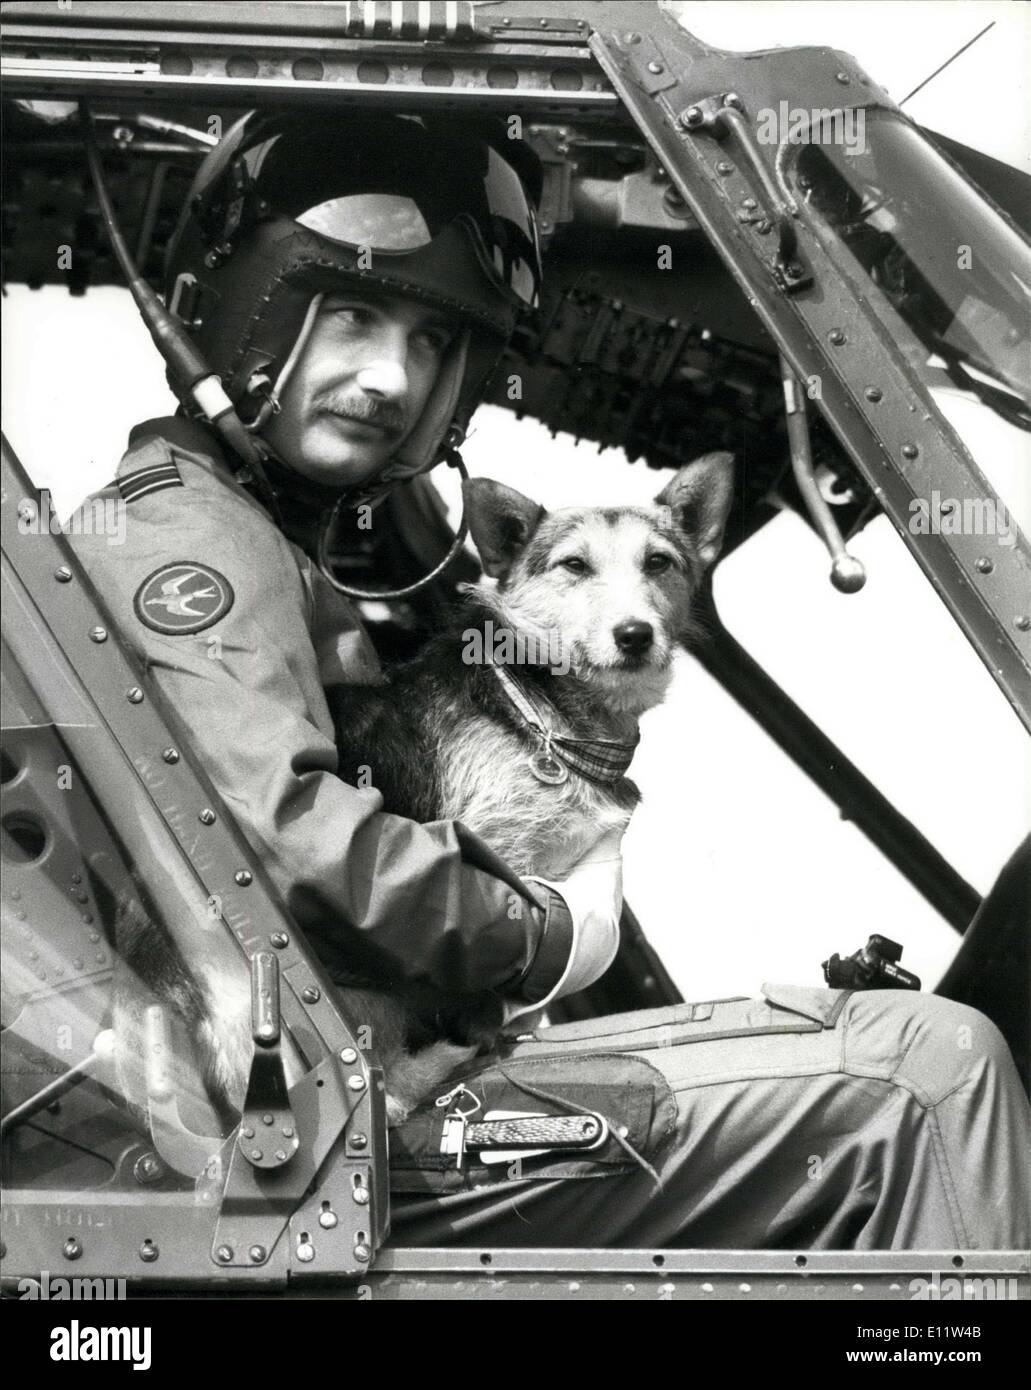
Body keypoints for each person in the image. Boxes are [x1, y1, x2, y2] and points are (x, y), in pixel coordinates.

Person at [70, 112, 1030, 1250]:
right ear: (257, 306)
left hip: (331, 1090)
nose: (389, 378)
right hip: (291, 1131)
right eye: (358, 318)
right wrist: (536, 930)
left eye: (431, 343)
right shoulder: (191, 537)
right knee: (927, 1073)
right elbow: (287, 840)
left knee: (870, 1036)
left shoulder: (266, 534)